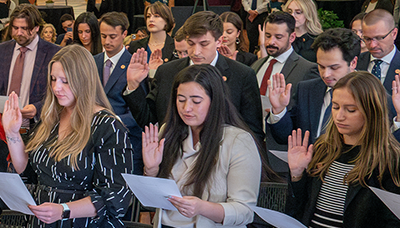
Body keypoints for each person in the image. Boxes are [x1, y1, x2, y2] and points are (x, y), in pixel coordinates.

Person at [2, 44, 141, 228]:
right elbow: (27, 169)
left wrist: (64, 210)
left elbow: (116, 197)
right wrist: (12, 133)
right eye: (54, 79)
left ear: (84, 80)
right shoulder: (52, 118)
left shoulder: (107, 125)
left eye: (65, 81)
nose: (56, 88)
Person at [143, 64, 260, 228]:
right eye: (181, 99)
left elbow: (245, 211)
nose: (186, 108)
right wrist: (151, 168)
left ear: (214, 100)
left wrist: (201, 207)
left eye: (196, 101)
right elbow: (152, 200)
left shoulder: (237, 141)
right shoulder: (169, 132)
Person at [287, 71, 400, 228]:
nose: (339, 116)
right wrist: (297, 175)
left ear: (371, 112)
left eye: (350, 110)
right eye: (336, 106)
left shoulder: (390, 161)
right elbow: (302, 210)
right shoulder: (323, 148)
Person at [124, 11, 264, 143]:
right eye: (190, 43)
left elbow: (252, 132)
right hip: (175, 158)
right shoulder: (167, 72)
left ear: (219, 41)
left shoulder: (242, 75)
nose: (196, 51)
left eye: (204, 44)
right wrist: (133, 85)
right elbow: (150, 122)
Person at [251, 11, 318, 175]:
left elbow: (307, 118)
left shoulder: (307, 69)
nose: (271, 42)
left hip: (283, 158)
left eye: (278, 37)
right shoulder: (256, 66)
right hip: (253, 153)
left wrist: (279, 112)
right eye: (267, 35)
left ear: (292, 37)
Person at [267, 28, 362, 144]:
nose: (326, 74)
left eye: (334, 67)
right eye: (321, 66)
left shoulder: (369, 93)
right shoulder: (307, 90)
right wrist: (279, 110)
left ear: (353, 63)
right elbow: (287, 136)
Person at [94, 12, 143, 174]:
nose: (107, 41)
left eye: (112, 36)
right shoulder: (93, 62)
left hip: (125, 140)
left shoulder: (134, 65)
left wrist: (113, 120)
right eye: (103, 36)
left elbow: (139, 110)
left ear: (124, 34)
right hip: (95, 141)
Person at [0, 4, 60, 127]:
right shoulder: (3, 51)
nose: (19, 33)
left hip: (38, 127)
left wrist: (37, 108)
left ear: (37, 27)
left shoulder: (54, 53)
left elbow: (60, 93)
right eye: (15, 28)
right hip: (3, 127)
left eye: (24, 28)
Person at [357, 9, 400, 94]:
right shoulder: (355, 63)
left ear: (394, 34)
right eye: (367, 39)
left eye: (379, 38)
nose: (373, 45)